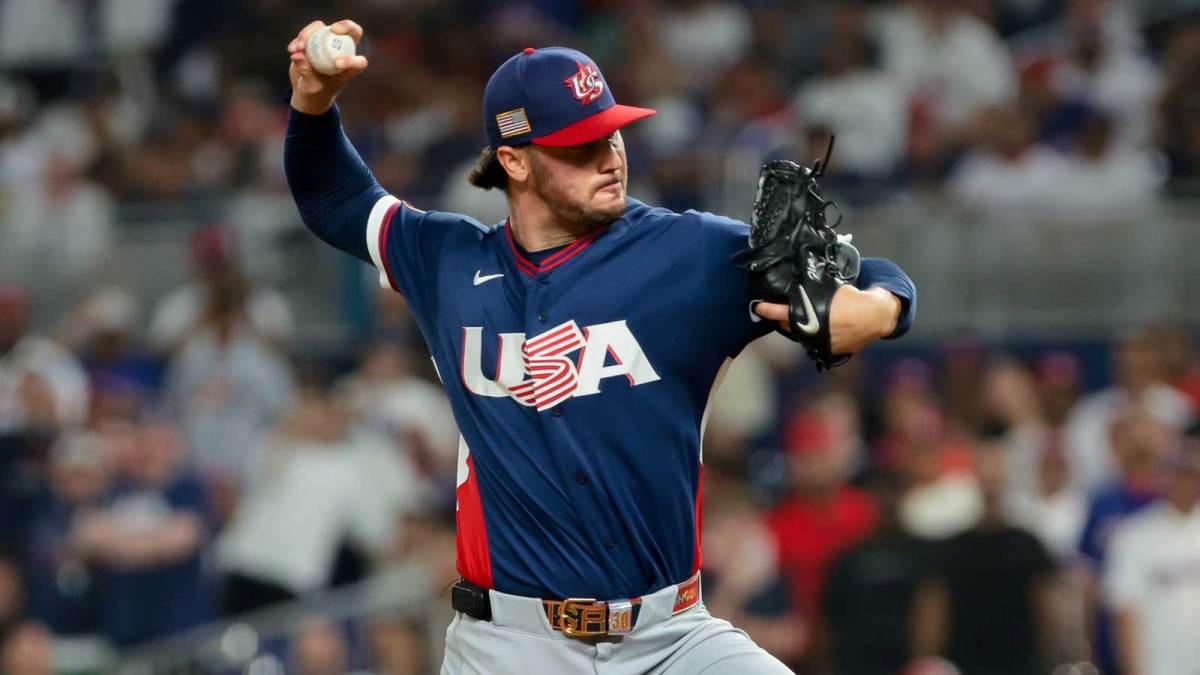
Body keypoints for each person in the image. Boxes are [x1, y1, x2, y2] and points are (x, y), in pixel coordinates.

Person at [284, 20, 916, 674]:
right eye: (579, 145)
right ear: (514, 159)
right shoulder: (446, 262)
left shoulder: (688, 253)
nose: (609, 154)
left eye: (611, 131)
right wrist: (313, 102)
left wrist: (874, 309)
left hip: (672, 635)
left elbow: (873, 276)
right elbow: (333, 196)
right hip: (509, 644)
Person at [1104, 440, 1200, 675]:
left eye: (1192, 475)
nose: (1186, 483)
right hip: (1159, 666)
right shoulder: (1133, 535)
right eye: (1178, 474)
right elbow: (1124, 612)